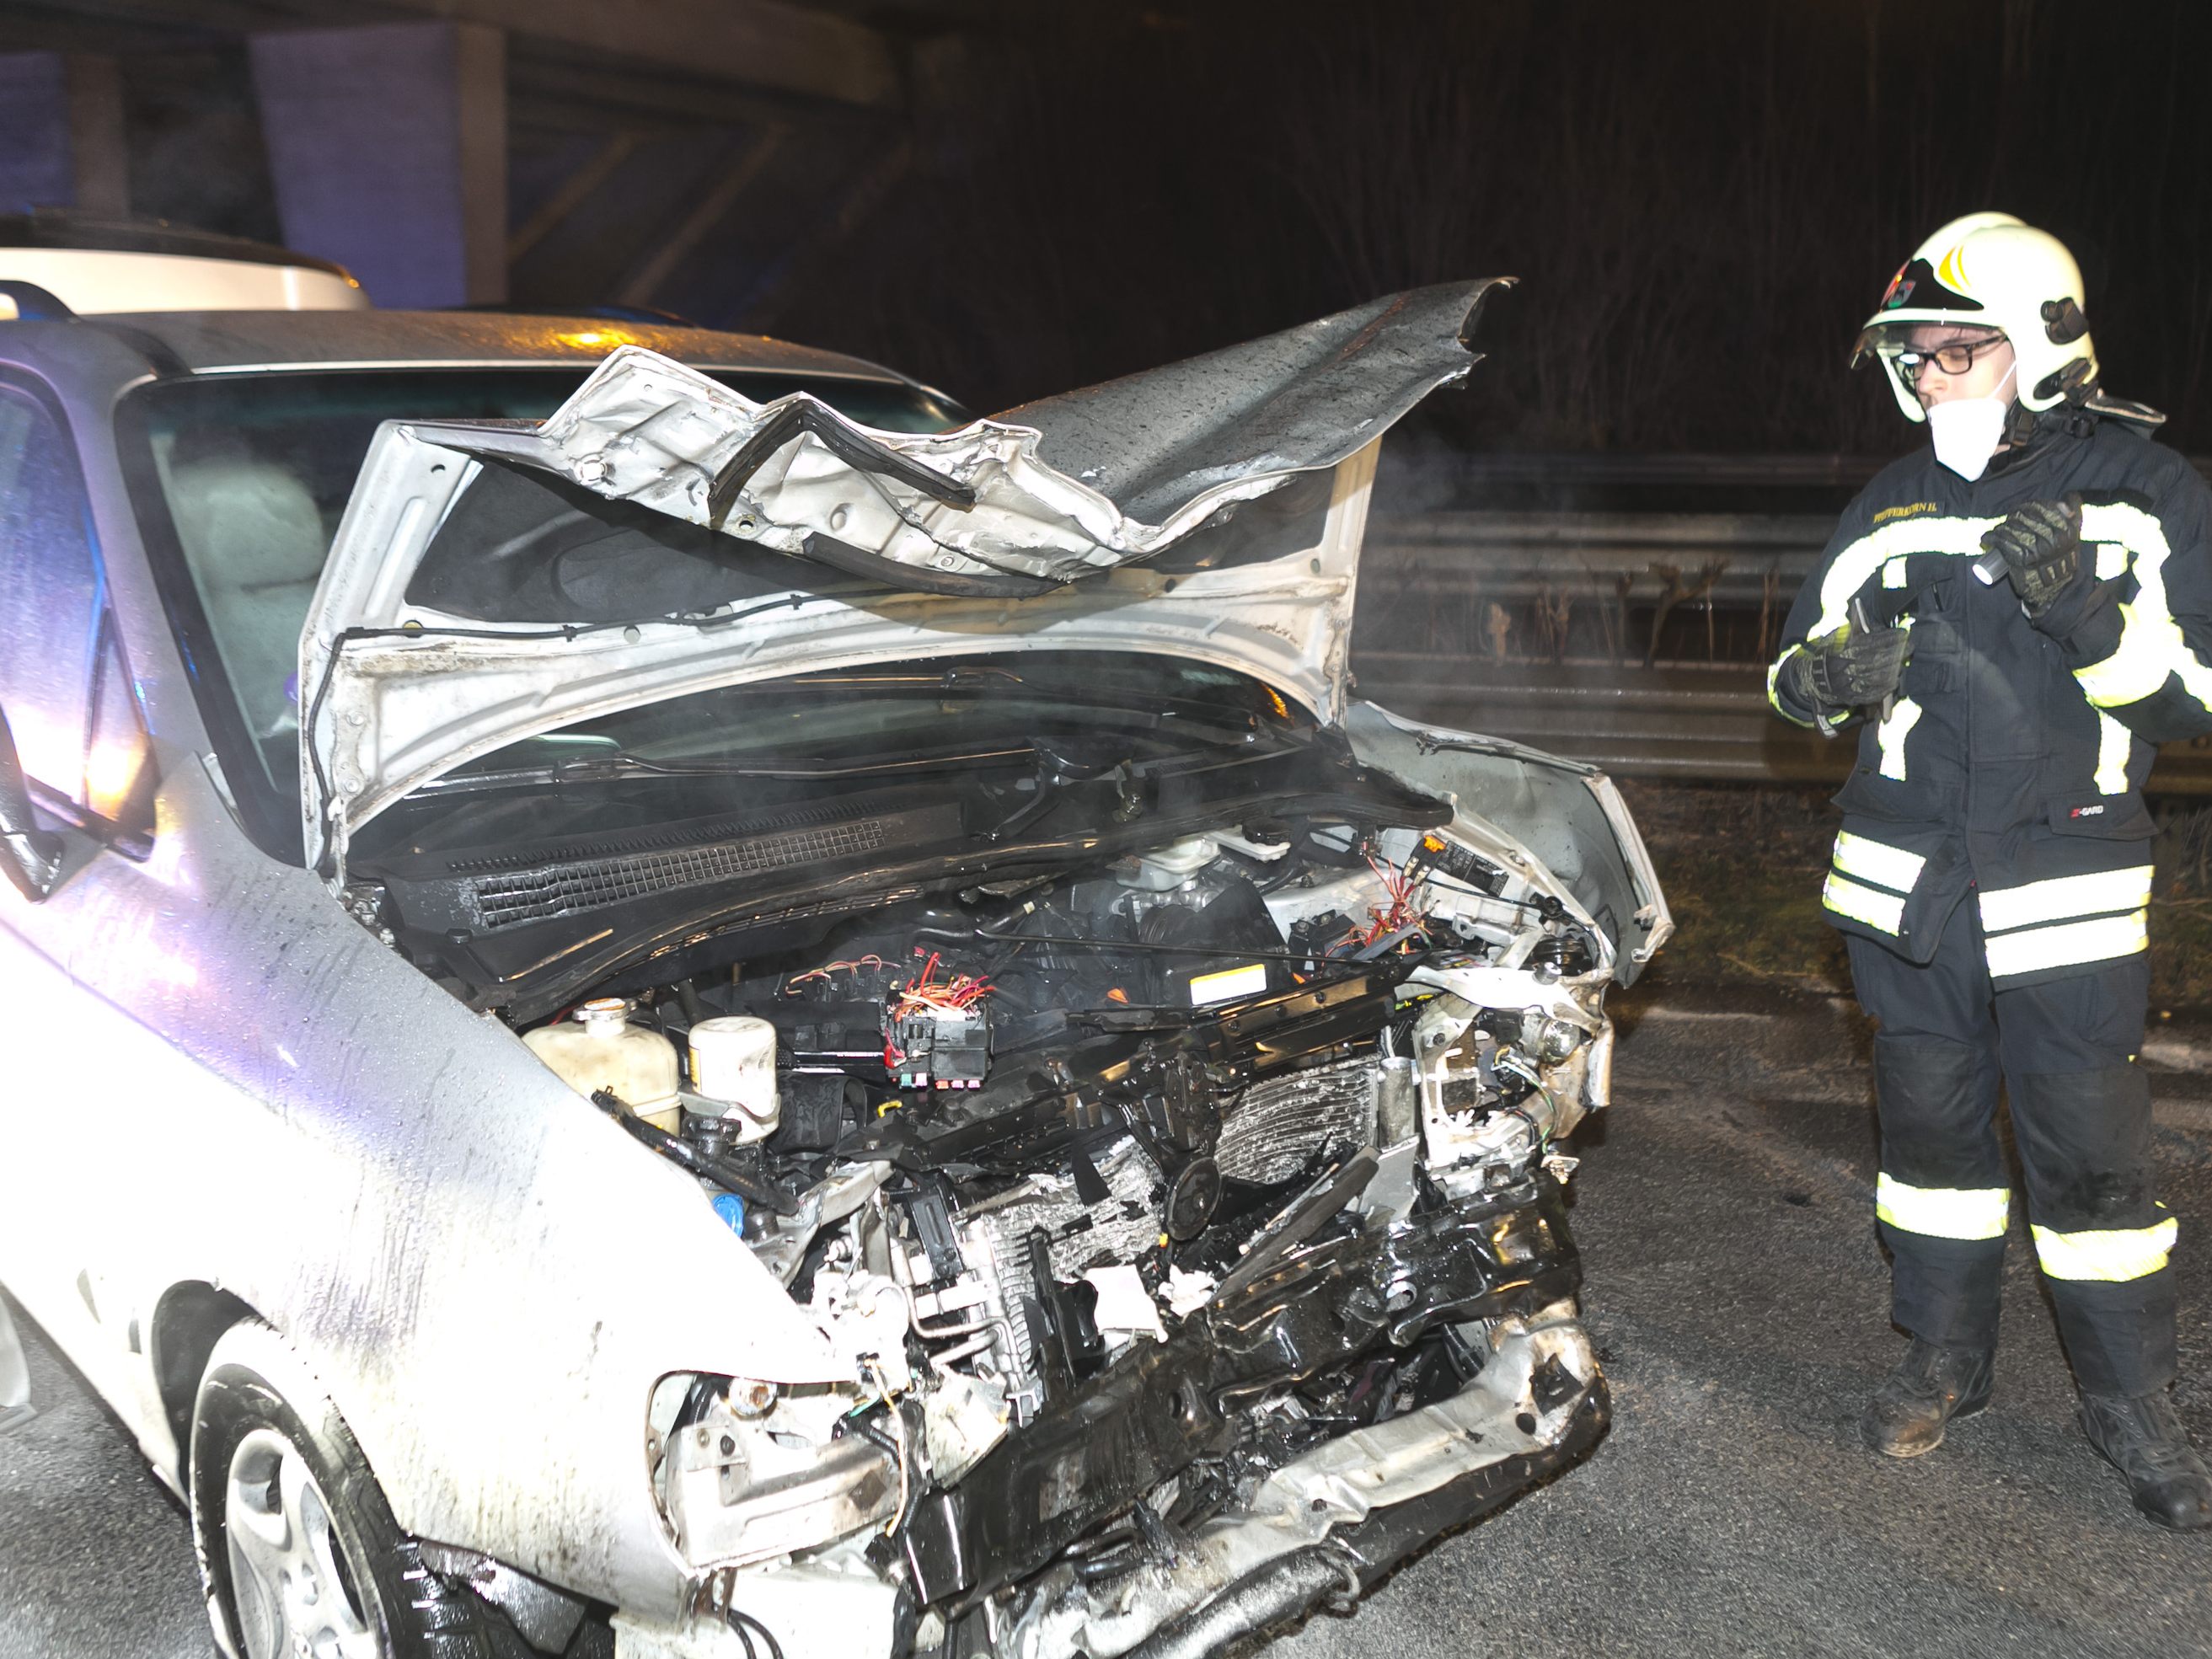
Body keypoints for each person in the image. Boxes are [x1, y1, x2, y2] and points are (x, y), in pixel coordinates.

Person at [1767, 211, 2212, 1528]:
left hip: (2061, 896)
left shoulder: (2147, 493)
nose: (1926, 381)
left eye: (1953, 351)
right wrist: (1817, 684)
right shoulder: (1885, 503)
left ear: (2038, 346)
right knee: (1929, 1152)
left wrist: (2084, 609)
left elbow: (2196, 696)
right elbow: (1795, 676)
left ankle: (2130, 1399)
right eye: (1910, 360)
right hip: (1902, 900)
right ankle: (1942, 1356)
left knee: (2090, 1175)